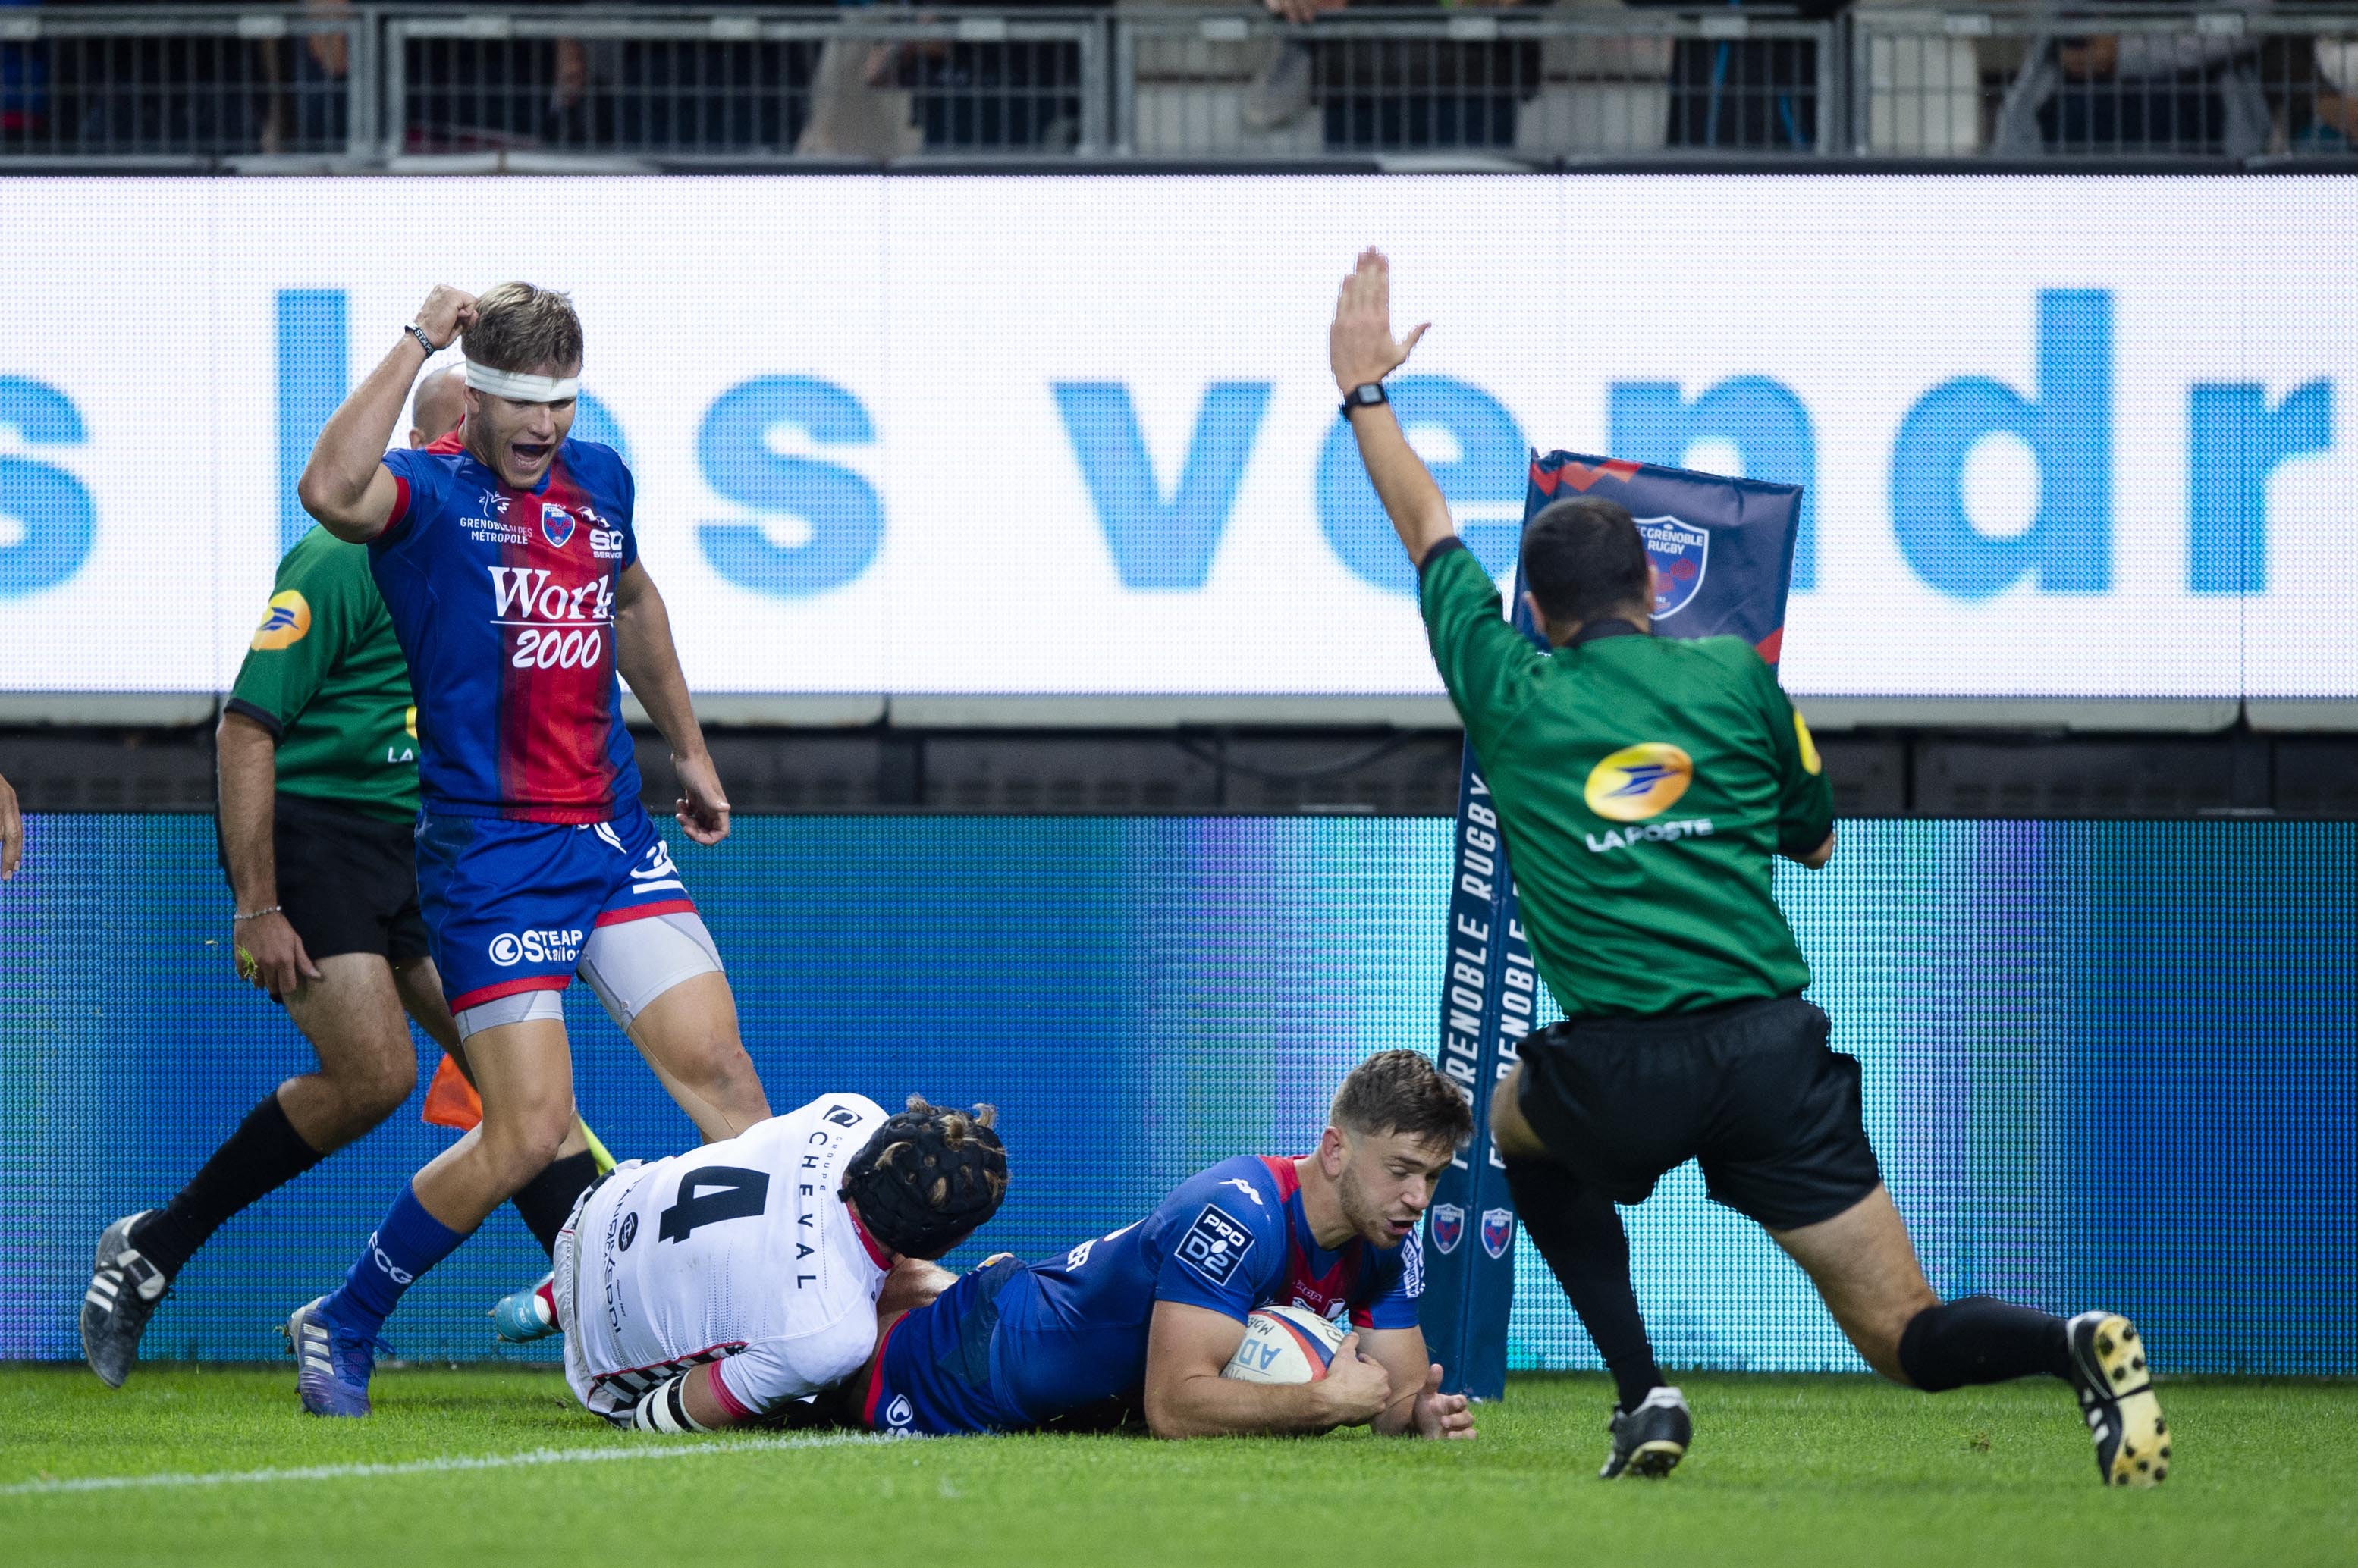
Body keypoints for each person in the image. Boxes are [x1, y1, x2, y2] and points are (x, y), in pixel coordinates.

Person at [1328, 248, 2169, 1488]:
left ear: (1541, 612)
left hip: (1619, 1056)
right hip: (1775, 1052)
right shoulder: (1733, 677)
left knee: (1515, 1124)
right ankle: (2069, 1344)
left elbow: (1425, 526)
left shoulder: (1506, 687)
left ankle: (1642, 1389)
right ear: (1655, 584)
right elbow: (1814, 837)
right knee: (1902, 1332)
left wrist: (1361, 391)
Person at [282, 281, 771, 1417]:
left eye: (560, 402)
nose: (541, 427)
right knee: (527, 1133)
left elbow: (634, 600)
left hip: (612, 842)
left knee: (729, 1085)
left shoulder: (600, 481)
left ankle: (756, 1338)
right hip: (490, 861)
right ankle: (343, 1319)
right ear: (478, 400)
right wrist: (416, 340)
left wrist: (687, 749)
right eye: (519, 403)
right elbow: (325, 488)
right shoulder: (424, 495)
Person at [79, 365, 610, 1388]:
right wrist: (259, 902)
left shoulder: (494, 555)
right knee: (376, 1076)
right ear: (457, 432)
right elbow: (246, 726)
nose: (530, 436)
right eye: (505, 417)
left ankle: (605, 1316)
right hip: (320, 833)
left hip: (435, 840)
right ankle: (155, 1247)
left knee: (527, 1092)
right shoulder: (341, 552)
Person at [849, 1050, 1477, 1443]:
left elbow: (1390, 1396)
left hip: (1048, 1366)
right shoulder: (1237, 1215)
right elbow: (1175, 1406)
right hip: (971, 1363)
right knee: (813, 1377)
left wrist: (1416, 1417)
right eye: (1400, 1171)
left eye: (1432, 1175)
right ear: (1336, 1149)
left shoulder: (1389, 1241)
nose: (1418, 1197)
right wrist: (1318, 1402)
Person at [554, 1094, 1006, 1432]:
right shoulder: (832, 1336)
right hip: (596, 1365)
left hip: (595, 1211)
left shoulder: (847, 1112)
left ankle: (545, 1301)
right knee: (798, 1394)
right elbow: (677, 1412)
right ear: (943, 1240)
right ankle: (552, 1303)